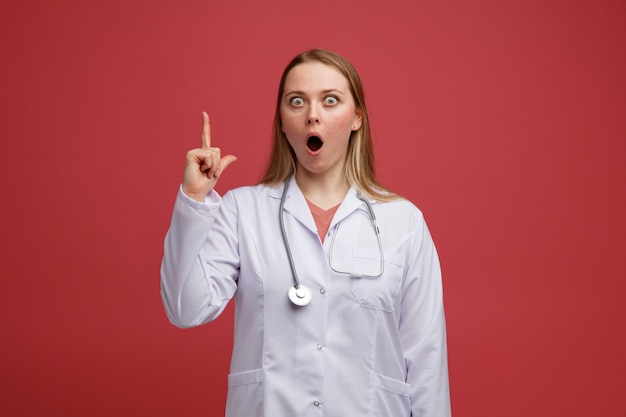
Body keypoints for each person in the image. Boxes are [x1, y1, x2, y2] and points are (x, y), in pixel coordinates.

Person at [161, 49, 451, 416]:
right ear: (283, 122)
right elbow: (185, 308)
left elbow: (427, 358)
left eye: (330, 100)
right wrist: (194, 199)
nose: (312, 114)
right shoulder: (243, 210)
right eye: (296, 102)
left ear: (357, 117)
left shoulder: (403, 221)